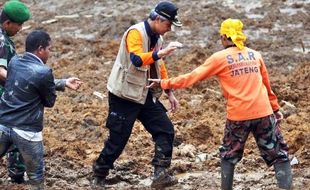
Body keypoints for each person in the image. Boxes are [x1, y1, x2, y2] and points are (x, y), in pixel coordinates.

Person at [149, 18, 292, 190]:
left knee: (228, 155)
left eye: (220, 37)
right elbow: (267, 87)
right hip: (264, 113)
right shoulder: (256, 55)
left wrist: (164, 83)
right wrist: (275, 109)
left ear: (224, 37)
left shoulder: (219, 58)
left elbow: (192, 77)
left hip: (238, 116)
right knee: (279, 155)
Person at [92, 1, 183, 188]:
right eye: (168, 24)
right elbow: (136, 60)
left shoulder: (158, 38)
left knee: (165, 129)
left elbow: (160, 66)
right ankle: (99, 174)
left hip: (144, 93)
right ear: (158, 19)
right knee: (118, 139)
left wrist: (169, 91)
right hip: (124, 95)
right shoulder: (135, 33)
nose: (169, 29)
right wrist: (161, 53)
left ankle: (161, 173)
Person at [0, 29, 82, 190]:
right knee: (36, 178)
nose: (50, 53)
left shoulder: (15, 62)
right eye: (49, 49)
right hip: (27, 132)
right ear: (40, 49)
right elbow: (49, 101)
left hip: (3, 124)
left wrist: (62, 82)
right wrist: (53, 85)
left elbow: (23, 81)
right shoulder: (44, 72)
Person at [0, 0, 31, 184]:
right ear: (7, 23)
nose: (20, 28)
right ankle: (17, 174)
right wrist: (21, 84)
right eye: (19, 24)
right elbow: (1, 72)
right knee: (17, 130)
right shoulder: (2, 41)